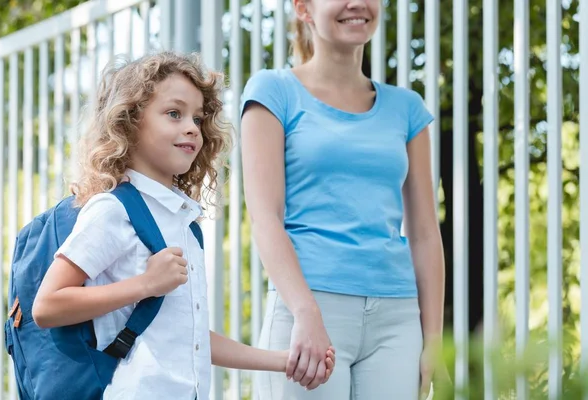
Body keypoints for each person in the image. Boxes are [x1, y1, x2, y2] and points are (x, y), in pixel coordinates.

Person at [32, 51, 335, 400]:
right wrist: (145, 284)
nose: (192, 126)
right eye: (174, 113)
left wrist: (282, 361)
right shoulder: (113, 209)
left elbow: (190, 338)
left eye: (197, 118)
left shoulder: (184, 223)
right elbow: (48, 306)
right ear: (130, 122)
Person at [240, 0, 445, 399]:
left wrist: (433, 341)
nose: (358, 4)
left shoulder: (407, 109)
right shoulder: (272, 91)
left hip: (396, 318)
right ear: (304, 9)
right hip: (309, 307)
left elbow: (423, 233)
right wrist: (305, 311)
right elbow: (265, 217)